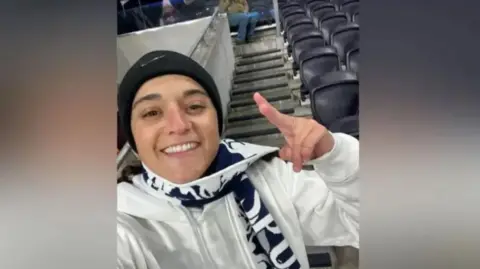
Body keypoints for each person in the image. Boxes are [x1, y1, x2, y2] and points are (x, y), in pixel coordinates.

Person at [117, 50, 359, 269]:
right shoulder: (120, 224)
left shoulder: (270, 177)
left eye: (194, 106)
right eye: (151, 113)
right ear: (133, 138)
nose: (179, 126)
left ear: (217, 122)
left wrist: (336, 158)